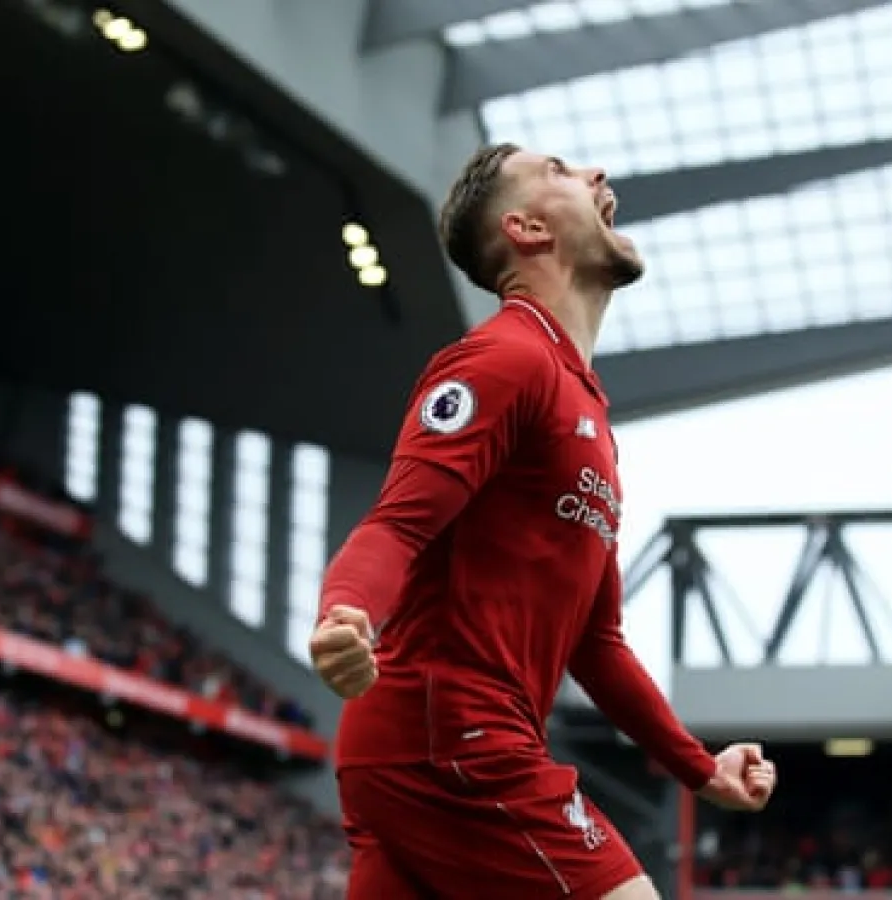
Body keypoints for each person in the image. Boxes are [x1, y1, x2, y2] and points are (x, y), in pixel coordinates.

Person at [308, 144, 777, 900]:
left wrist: (699, 768)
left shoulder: (583, 408)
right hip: (456, 736)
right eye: (560, 170)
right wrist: (345, 612)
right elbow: (397, 524)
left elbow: (598, 644)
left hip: (417, 746)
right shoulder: (503, 360)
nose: (596, 174)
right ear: (526, 229)